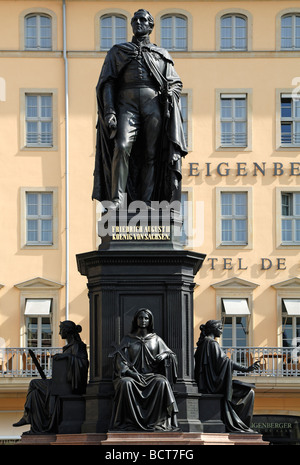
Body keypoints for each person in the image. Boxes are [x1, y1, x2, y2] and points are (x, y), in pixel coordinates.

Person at [92, 9, 187, 211]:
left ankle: (146, 202)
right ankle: (117, 200)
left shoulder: (161, 54)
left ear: (151, 26)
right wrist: (109, 111)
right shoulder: (118, 51)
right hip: (126, 105)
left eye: (143, 20)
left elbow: (176, 82)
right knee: (122, 146)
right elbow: (107, 83)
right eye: (135, 20)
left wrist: (171, 91)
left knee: (151, 154)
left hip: (153, 105)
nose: (138, 22)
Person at [13, 320, 89, 434]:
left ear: (67, 331)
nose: (59, 333)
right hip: (60, 383)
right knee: (34, 394)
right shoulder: (68, 347)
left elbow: (83, 363)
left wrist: (67, 357)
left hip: (69, 385)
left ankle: (26, 417)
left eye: (61, 330)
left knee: (34, 383)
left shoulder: (78, 346)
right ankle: (37, 425)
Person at [110, 308, 179, 431]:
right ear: (136, 320)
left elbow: (171, 355)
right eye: (140, 318)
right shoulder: (128, 339)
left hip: (151, 376)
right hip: (132, 377)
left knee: (162, 382)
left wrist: (164, 355)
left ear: (150, 321)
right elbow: (120, 362)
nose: (143, 320)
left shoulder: (156, 339)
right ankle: (128, 422)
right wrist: (132, 374)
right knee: (125, 383)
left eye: (146, 318)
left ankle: (158, 422)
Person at [194, 320, 260, 433]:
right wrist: (246, 369)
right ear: (213, 329)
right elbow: (225, 361)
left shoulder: (203, 343)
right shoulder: (212, 343)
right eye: (219, 327)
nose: (221, 330)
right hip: (214, 385)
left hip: (209, 383)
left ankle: (238, 422)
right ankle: (239, 424)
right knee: (249, 392)